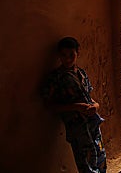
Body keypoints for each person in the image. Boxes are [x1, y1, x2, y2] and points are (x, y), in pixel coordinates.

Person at [41, 37, 106, 173]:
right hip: (77, 127)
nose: (68, 59)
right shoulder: (56, 78)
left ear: (78, 53)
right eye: (64, 55)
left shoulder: (81, 73)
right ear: (59, 55)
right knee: (86, 163)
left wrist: (96, 106)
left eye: (72, 55)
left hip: (92, 123)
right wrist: (76, 107)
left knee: (100, 156)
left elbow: (90, 97)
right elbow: (49, 105)